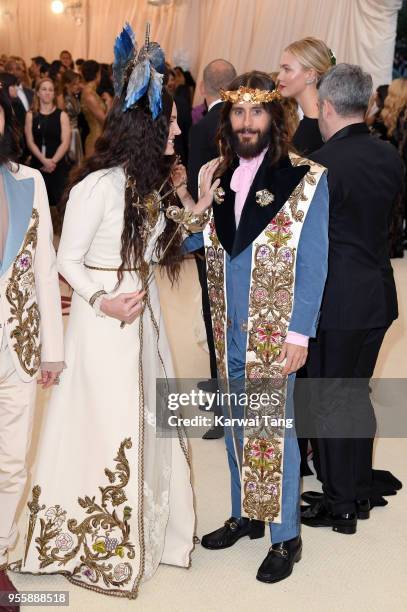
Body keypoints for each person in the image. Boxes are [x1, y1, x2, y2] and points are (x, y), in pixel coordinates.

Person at [12, 24, 217, 599]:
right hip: (101, 330)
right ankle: (90, 539)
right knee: (104, 425)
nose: (179, 126)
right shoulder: (97, 187)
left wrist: (192, 206)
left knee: (149, 422)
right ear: (149, 126)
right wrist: (103, 301)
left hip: (143, 324)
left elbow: (157, 252)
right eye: (171, 119)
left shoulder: (149, 187)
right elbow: (65, 260)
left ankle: (147, 533)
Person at [182, 70, 329, 583]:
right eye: (239, 113)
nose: (247, 122)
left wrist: (298, 333)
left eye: (257, 111)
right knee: (238, 424)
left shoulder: (307, 178)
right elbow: (197, 243)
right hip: (227, 324)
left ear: (274, 116)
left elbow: (314, 262)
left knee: (273, 427)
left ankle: (286, 535)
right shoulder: (214, 174)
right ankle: (247, 512)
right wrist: (187, 209)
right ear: (229, 118)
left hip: (274, 324)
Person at [300, 64, 403, 534]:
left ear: (325, 106)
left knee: (331, 398)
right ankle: (357, 486)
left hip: (337, 302)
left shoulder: (318, 164)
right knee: (355, 393)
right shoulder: (389, 156)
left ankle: (341, 503)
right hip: (378, 294)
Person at [0, 86, 64, 610]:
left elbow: (46, 266)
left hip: (19, 345)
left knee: (12, 463)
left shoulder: (30, 183)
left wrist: (52, 348)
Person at [187, 59, 237, 440]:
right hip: (245, 237)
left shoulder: (202, 127)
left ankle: (223, 397)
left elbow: (193, 183)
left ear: (204, 87)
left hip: (213, 236)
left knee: (214, 313)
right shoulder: (248, 124)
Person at [278, 37, 334, 155]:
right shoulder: (324, 123)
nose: (279, 77)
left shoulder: (313, 132)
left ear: (310, 75)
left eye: (287, 69)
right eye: (281, 69)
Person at [25, 78, 71, 213]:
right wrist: (43, 160)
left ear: (54, 94)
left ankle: (58, 232)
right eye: (44, 89)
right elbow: (30, 141)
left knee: (59, 203)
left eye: (50, 90)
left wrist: (52, 162)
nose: (47, 93)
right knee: (36, 204)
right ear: (37, 93)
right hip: (37, 165)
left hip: (58, 166)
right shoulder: (30, 115)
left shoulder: (62, 115)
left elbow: (65, 142)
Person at [80, 60, 107, 156]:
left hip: (100, 136)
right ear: (97, 73)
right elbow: (104, 121)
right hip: (96, 139)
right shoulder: (89, 94)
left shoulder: (92, 92)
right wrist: (110, 103)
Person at [57, 70, 84, 165]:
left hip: (76, 133)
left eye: (79, 83)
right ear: (66, 84)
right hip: (67, 133)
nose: (78, 86)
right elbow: (59, 119)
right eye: (74, 84)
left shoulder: (75, 96)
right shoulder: (61, 98)